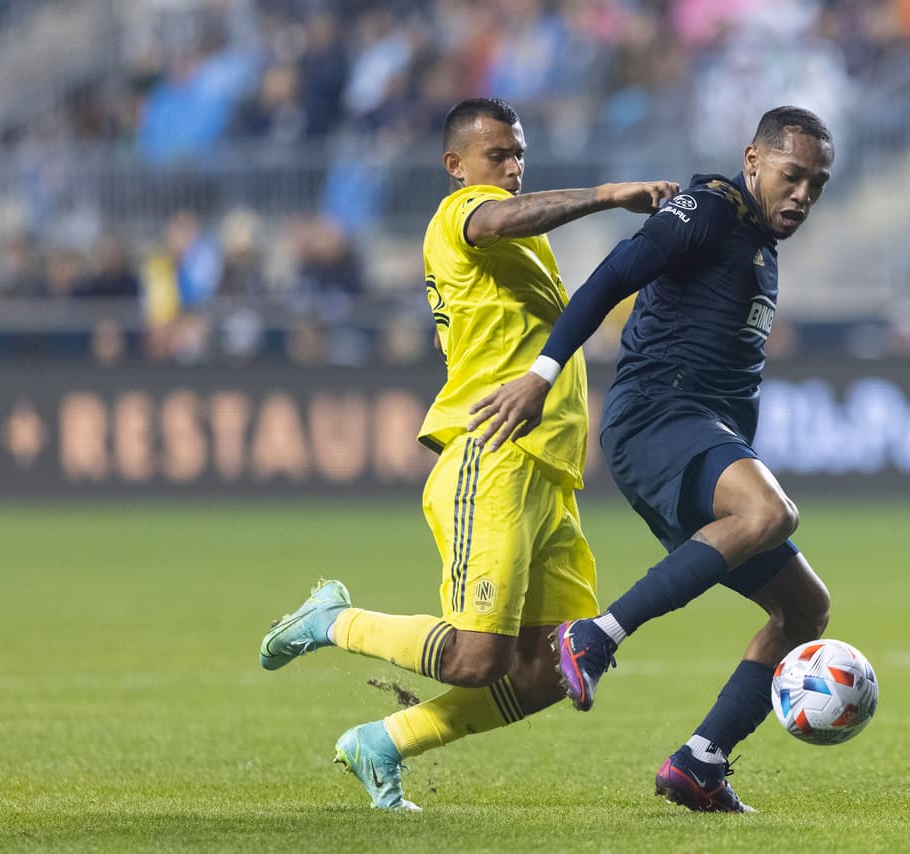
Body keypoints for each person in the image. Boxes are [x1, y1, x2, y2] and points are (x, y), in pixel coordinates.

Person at [258, 97, 677, 811]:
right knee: (475, 660)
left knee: (547, 670)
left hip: (547, 477)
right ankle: (332, 619)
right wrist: (606, 196)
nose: (511, 169)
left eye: (518, 155)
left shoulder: (511, 254)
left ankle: (383, 742)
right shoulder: (462, 216)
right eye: (496, 156)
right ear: (455, 166)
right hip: (494, 459)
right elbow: (498, 217)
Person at [468, 106, 835, 813]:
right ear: (753, 158)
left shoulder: (758, 240)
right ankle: (596, 637)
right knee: (772, 511)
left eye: (817, 185)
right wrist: (541, 376)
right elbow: (612, 276)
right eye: (792, 176)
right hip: (657, 417)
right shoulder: (710, 207)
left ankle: (700, 764)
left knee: (804, 611)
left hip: (694, 434)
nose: (803, 196)